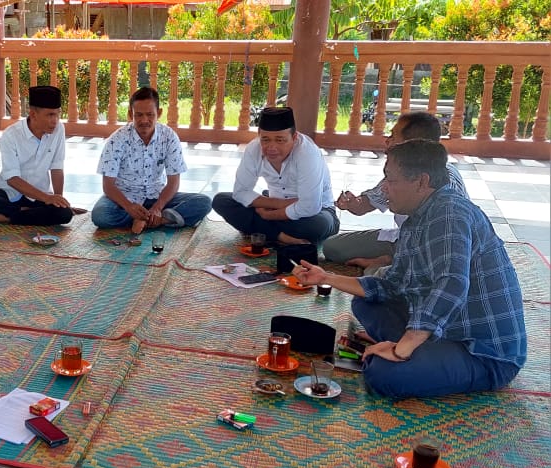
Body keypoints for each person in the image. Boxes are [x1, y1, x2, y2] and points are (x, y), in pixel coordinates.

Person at [293, 139, 526, 398]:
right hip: (446, 328)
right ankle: (417, 349)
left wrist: (399, 350)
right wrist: (326, 277)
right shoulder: (418, 217)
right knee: (365, 302)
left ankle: (408, 351)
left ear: (421, 182)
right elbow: (391, 285)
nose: (384, 189)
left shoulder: (449, 213)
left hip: (481, 349)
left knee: (382, 376)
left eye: (390, 180)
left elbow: (451, 284)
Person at [324, 111, 468, 275]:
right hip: (403, 240)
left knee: (377, 278)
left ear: (412, 145)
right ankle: (391, 261)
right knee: (332, 247)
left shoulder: (446, 186)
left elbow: (451, 258)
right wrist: (352, 203)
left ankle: (391, 263)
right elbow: (364, 205)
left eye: (393, 137)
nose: (387, 141)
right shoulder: (399, 171)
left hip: (434, 249)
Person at [91, 86, 212, 233]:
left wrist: (158, 207)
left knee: (204, 203)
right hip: (125, 199)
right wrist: (129, 207)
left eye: (150, 115)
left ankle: (155, 220)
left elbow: (174, 182)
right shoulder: (117, 140)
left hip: (158, 197)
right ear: (130, 114)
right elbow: (108, 186)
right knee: (100, 215)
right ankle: (159, 220)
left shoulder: (169, 137)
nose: (144, 120)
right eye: (139, 115)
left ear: (159, 113)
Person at [211, 107, 338, 245]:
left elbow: (310, 207)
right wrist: (279, 204)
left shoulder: (307, 153)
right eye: (265, 140)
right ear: (259, 135)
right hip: (276, 202)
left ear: (294, 137)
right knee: (221, 201)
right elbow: (240, 193)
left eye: (280, 140)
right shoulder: (254, 149)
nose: (272, 147)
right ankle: (280, 236)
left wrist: (269, 215)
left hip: (317, 211)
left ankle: (261, 229)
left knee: (318, 226)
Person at [0, 85, 75, 226]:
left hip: (39, 196)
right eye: (50, 115)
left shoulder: (58, 129)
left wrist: (58, 200)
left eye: (57, 114)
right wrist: (47, 198)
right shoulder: (11, 135)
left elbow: (57, 167)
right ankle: (25, 213)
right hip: (10, 193)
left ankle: (7, 217)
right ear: (33, 115)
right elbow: (12, 179)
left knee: (64, 214)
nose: (55, 120)